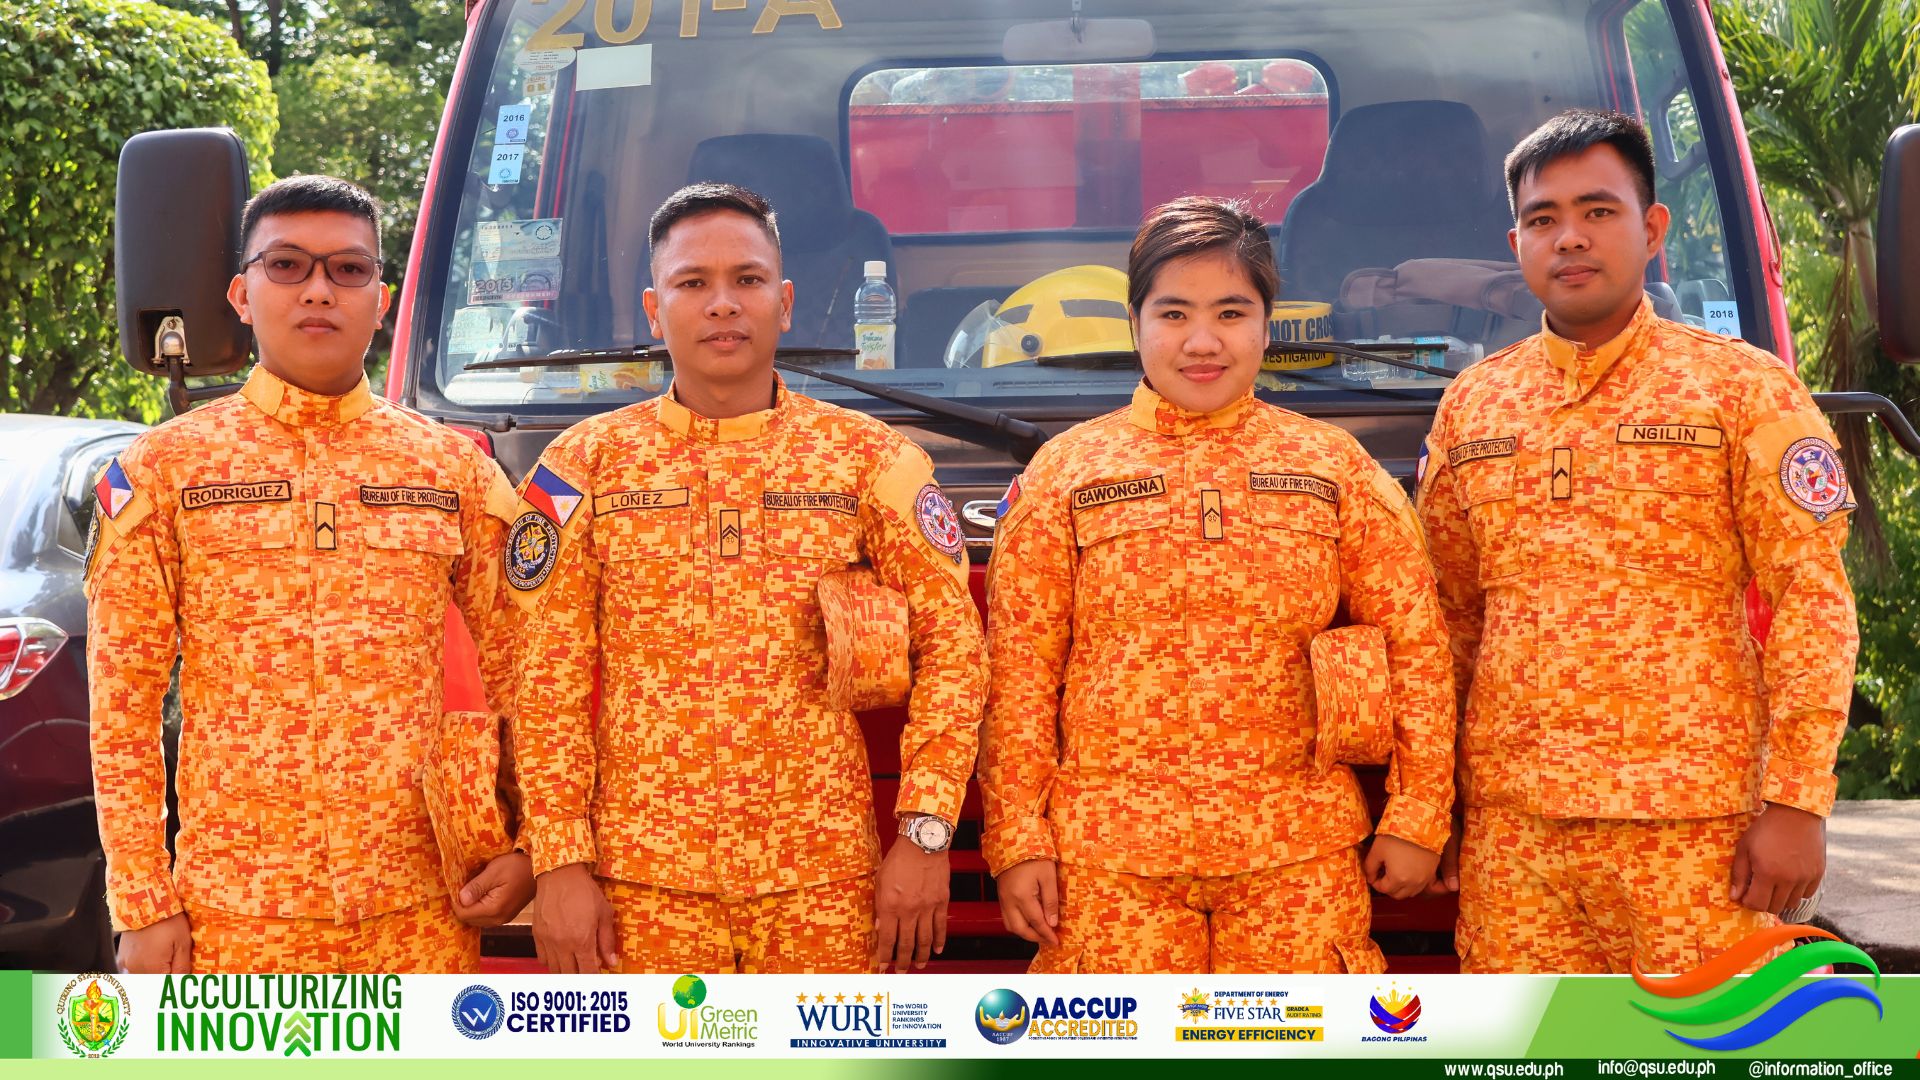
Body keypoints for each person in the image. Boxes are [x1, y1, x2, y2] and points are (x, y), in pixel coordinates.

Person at [1417, 110, 1855, 973]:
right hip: (1516, 839)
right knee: (1527, 1046)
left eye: (1598, 211)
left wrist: (1797, 803)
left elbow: (1813, 603)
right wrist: (1439, 807)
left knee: (1709, 1041)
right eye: (1543, 219)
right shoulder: (1473, 405)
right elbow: (1451, 622)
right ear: (1516, 244)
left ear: (1652, 229)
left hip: (1696, 832)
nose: (1570, 238)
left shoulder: (1741, 390)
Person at [511, 182, 985, 975]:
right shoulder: (579, 466)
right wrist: (558, 861)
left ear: (785, 302)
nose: (723, 303)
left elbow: (955, 649)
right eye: (693, 282)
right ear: (654, 310)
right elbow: (543, 676)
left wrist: (926, 831)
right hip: (640, 888)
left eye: (748, 279)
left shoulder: (871, 460)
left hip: (825, 883)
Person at [980, 196, 1455, 973]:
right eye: (1174, 314)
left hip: (1297, 857)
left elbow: (1417, 647)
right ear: (1134, 323)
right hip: (1109, 863)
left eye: (1231, 313)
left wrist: (1417, 813)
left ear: (1267, 326)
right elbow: (1020, 673)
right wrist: (1017, 838)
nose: (1202, 342)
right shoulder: (1065, 472)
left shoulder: (1333, 466)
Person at [89, 174, 532, 974]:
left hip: (423, 911)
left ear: (381, 300)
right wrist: (144, 902)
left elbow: (525, 670)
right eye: (287, 265)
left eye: (348, 269)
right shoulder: (163, 471)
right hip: (237, 917)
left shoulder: (452, 471)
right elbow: (123, 704)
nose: (319, 290)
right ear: (242, 294)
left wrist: (532, 841)